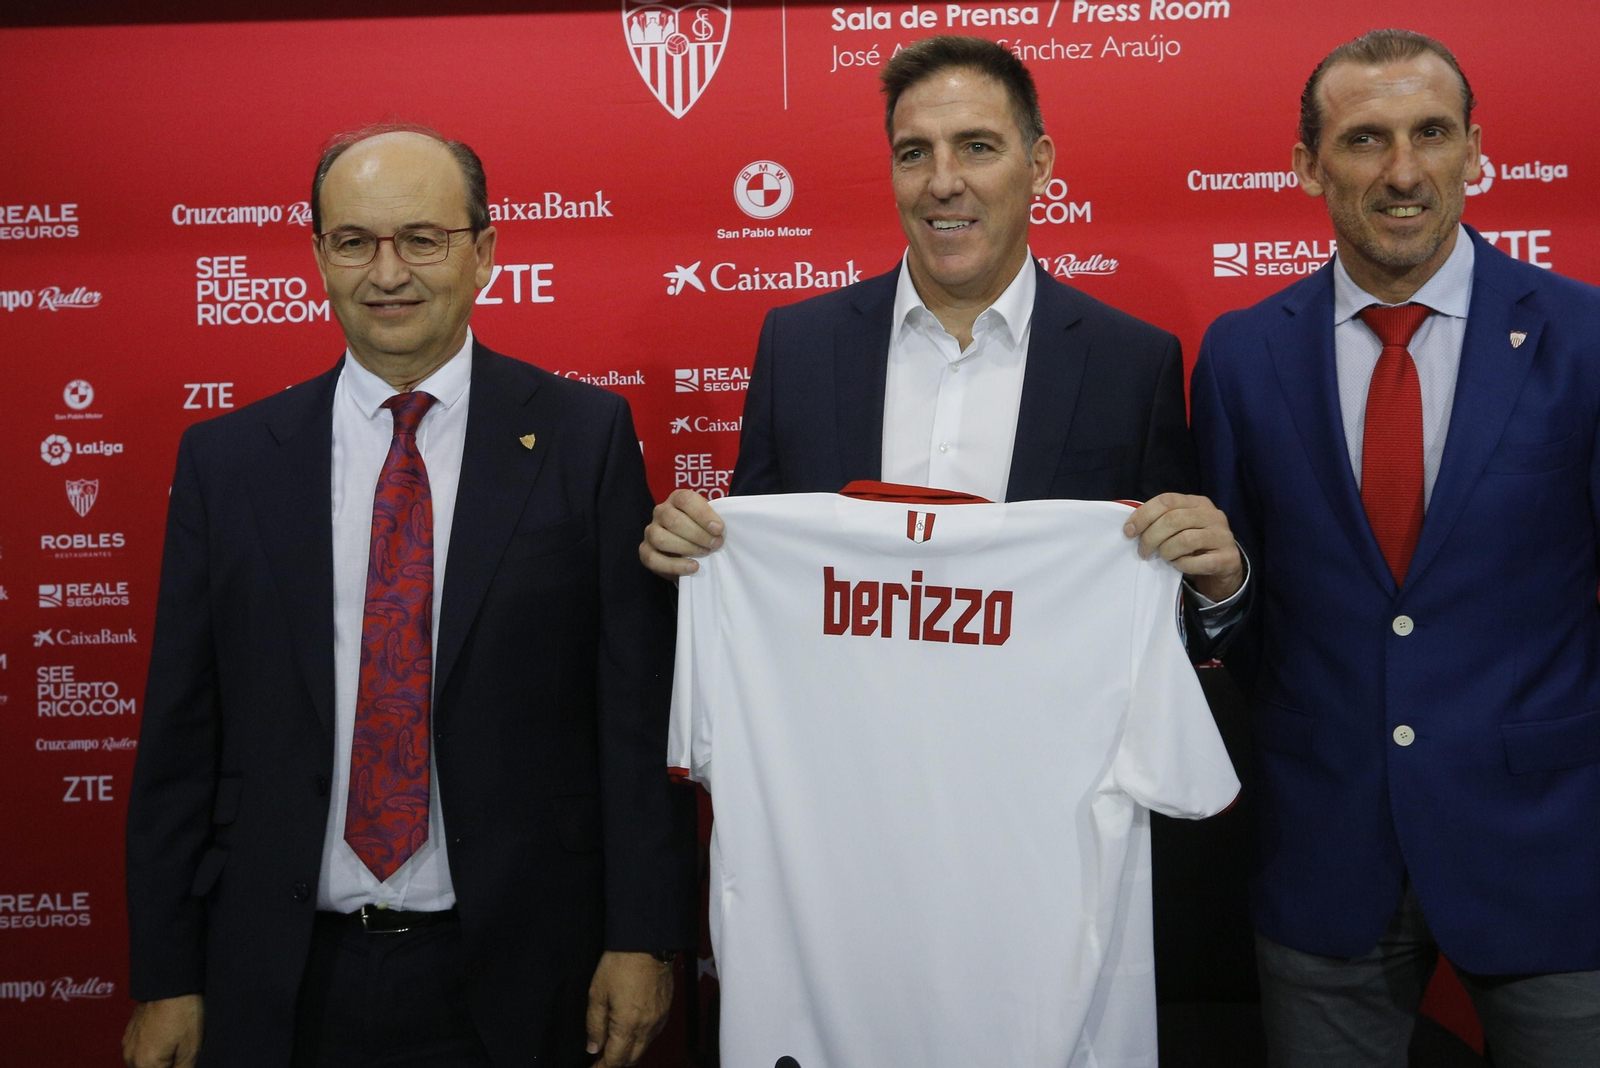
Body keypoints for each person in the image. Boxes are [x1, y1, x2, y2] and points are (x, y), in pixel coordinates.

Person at [123, 126, 696, 1068]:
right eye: (355, 241)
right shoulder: (227, 462)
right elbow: (180, 737)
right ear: (317, 257)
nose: (387, 272)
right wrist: (165, 973)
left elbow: (634, 718)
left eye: (421, 239)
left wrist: (643, 937)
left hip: (521, 971)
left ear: (484, 253)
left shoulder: (583, 439)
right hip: (279, 976)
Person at [1191, 29, 1600, 1066]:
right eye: (1365, 139)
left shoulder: (1582, 337)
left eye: (1430, 133)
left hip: (1548, 849)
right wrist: (1226, 588)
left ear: (1474, 148)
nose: (1403, 171)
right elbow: (1229, 613)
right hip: (1322, 851)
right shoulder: (1240, 355)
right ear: (1307, 165)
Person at [640, 34, 1246, 647]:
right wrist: (690, 557)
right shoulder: (797, 346)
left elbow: (1166, 616)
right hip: (838, 733)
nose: (943, 182)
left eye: (976, 147)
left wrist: (1216, 587)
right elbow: (753, 582)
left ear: (1038, 166)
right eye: (914, 154)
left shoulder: (1134, 365)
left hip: (1041, 736)